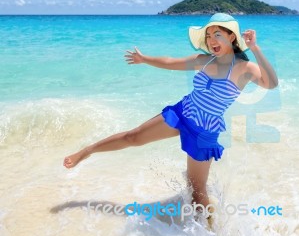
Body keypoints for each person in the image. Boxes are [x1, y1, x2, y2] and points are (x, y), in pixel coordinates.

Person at [63, 13, 278, 223]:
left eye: (218, 35)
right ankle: (88, 150)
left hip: (203, 132)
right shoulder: (203, 60)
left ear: (232, 37)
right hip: (182, 112)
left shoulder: (244, 68)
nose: (212, 40)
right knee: (133, 137)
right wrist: (144, 59)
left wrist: (255, 49)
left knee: (196, 190)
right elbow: (170, 62)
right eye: (209, 36)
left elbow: (271, 83)